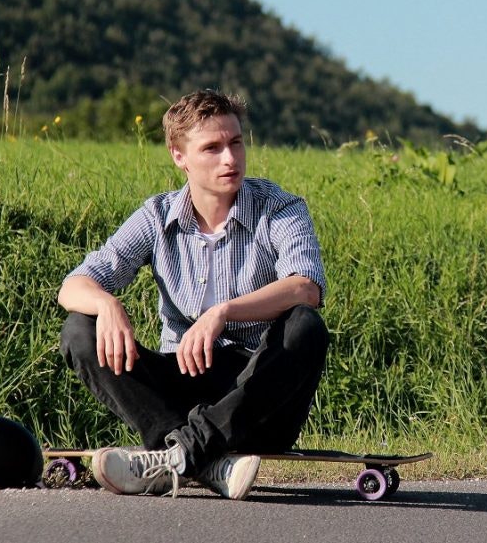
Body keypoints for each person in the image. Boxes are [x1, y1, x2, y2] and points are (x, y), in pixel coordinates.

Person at [57, 89, 329, 499]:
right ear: (179, 156)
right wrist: (107, 303)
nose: (230, 159)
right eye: (212, 148)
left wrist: (223, 311)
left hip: (256, 396)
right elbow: (73, 285)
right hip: (180, 386)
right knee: (79, 329)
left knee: (305, 326)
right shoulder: (156, 216)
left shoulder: (280, 207)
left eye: (236, 143)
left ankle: (181, 455)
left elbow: (305, 287)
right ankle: (198, 459)